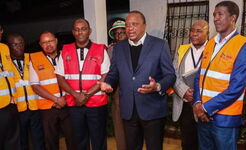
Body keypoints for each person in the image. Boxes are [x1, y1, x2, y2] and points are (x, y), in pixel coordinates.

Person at [100, 10, 176, 150]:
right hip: (129, 110)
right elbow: (113, 73)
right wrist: (108, 83)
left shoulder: (159, 45)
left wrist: (158, 86)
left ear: (144, 26)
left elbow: (170, 75)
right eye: (128, 25)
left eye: (134, 24)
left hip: (153, 109)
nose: (130, 28)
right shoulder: (119, 48)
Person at [192, 1, 246, 150]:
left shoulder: (244, 45)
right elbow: (198, 76)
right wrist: (196, 103)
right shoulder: (211, 42)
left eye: (220, 14)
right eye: (214, 15)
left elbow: (236, 88)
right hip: (203, 116)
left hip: (224, 119)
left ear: (233, 17)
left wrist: (205, 108)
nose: (215, 18)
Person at [56, 18, 110, 150]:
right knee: (79, 140)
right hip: (74, 104)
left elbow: (105, 75)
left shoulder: (101, 50)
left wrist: (86, 95)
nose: (80, 32)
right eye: (76, 29)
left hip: (96, 103)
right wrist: (76, 95)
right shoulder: (65, 51)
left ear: (89, 31)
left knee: (98, 140)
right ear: (73, 32)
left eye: (84, 28)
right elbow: (60, 77)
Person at [29, 31, 77, 150]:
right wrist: (56, 99)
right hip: (47, 108)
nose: (48, 45)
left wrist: (65, 99)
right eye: (44, 42)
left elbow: (73, 80)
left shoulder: (67, 56)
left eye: (50, 41)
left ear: (56, 41)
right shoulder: (34, 59)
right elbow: (35, 86)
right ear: (40, 44)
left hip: (68, 104)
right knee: (50, 141)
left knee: (73, 139)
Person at [172, 20, 208, 150]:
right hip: (185, 103)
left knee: (205, 143)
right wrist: (184, 91)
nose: (194, 34)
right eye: (192, 31)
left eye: (199, 31)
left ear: (207, 33)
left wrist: (197, 94)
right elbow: (173, 74)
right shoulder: (182, 49)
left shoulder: (214, 50)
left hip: (205, 105)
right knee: (187, 143)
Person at [7, 33, 45, 150]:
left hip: (35, 107)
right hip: (18, 109)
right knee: (21, 140)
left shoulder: (32, 58)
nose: (19, 47)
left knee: (38, 139)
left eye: (21, 43)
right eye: (15, 44)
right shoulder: (6, 63)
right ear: (8, 47)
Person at [107, 19, 128, 150]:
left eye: (122, 32)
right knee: (120, 127)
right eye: (117, 33)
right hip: (118, 93)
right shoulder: (110, 50)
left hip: (135, 92)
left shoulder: (136, 47)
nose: (119, 35)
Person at [0, 37, 20, 150]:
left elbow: (10, 74)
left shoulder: (4, 48)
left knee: (12, 141)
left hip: (11, 104)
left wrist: (15, 98)